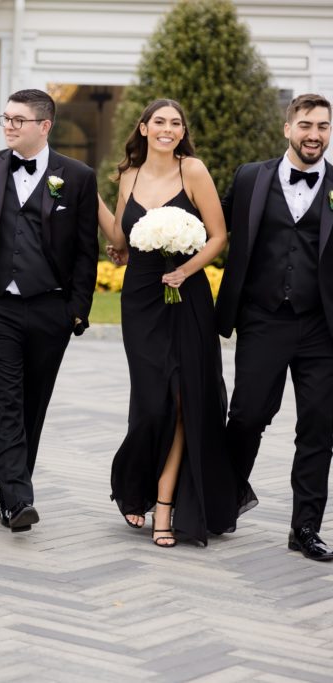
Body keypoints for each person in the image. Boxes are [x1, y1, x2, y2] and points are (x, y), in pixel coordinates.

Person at [102, 99, 256, 547]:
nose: (168, 129)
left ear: (181, 130)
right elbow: (119, 238)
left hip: (186, 294)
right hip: (141, 297)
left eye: (176, 123)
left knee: (186, 397)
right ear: (144, 128)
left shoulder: (194, 170)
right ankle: (136, 483)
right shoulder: (128, 176)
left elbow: (220, 235)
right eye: (159, 122)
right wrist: (82, 194)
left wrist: (187, 271)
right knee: (152, 402)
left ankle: (165, 503)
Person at [0, 89, 98, 532]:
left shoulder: (77, 176)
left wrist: (76, 309)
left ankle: (12, 495)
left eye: (19, 119)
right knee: (5, 399)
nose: (9, 125)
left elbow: (85, 248)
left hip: (50, 309)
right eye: (6, 117)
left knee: (32, 405)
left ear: (44, 126)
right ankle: (19, 497)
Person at [216, 93, 333, 561]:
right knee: (246, 417)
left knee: (319, 428)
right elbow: (215, 228)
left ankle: (305, 527)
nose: (314, 135)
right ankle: (223, 503)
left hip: (322, 327)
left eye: (323, 127)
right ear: (287, 129)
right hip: (263, 318)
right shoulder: (250, 177)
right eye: (306, 125)